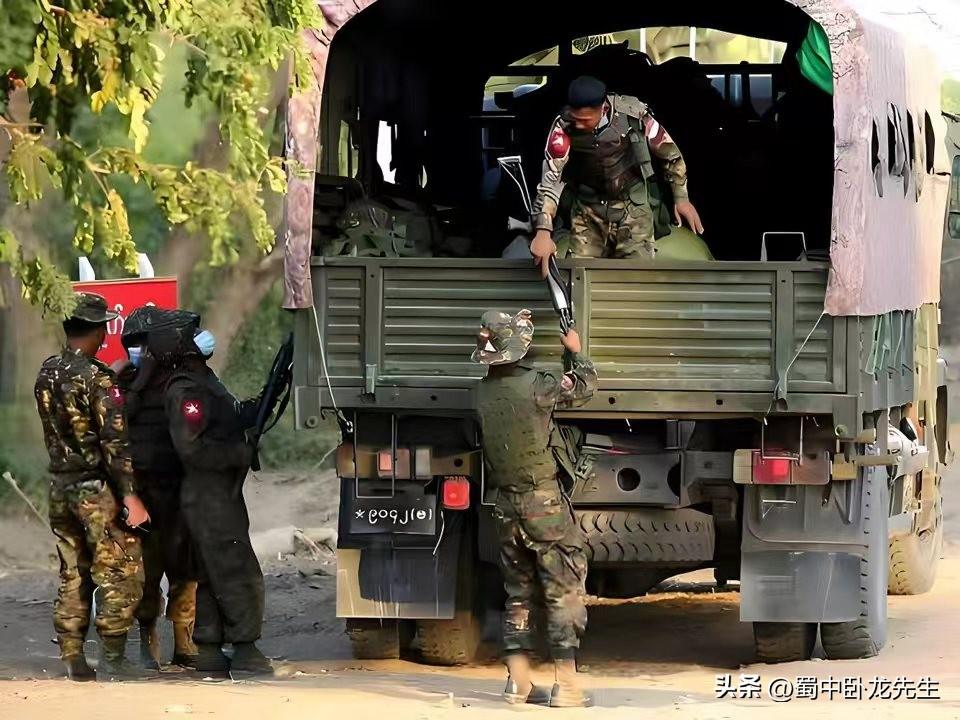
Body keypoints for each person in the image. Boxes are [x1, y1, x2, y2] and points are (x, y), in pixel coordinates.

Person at [472, 309, 598, 707]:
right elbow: (583, 387)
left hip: (505, 505)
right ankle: (567, 686)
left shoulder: (481, 393)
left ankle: (518, 683)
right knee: (563, 589)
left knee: (518, 593)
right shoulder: (537, 386)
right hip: (542, 504)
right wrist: (576, 353)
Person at [33, 292, 151, 681]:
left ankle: (73, 656)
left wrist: (108, 376)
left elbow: (72, 404)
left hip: (59, 488)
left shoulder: (47, 371)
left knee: (73, 571)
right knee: (121, 570)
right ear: (98, 330)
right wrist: (130, 497)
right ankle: (115, 660)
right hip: (95, 493)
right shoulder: (99, 381)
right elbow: (114, 444)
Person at [160, 329, 271, 674]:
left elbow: (227, 417)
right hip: (208, 496)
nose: (205, 336)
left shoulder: (203, 381)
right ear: (185, 349)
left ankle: (209, 649)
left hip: (217, 493)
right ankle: (245, 649)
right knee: (236, 570)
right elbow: (192, 448)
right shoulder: (187, 391)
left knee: (211, 570)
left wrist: (259, 405)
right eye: (194, 333)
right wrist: (239, 453)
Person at [530, 75, 704, 274]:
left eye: (585, 120)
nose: (578, 125)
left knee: (638, 275)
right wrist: (543, 230)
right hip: (588, 210)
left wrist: (681, 198)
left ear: (603, 109)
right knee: (578, 276)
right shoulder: (564, 127)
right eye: (575, 118)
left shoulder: (634, 116)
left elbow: (671, 156)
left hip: (632, 208)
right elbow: (551, 179)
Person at [113, 307, 203, 670]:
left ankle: (185, 639)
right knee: (146, 569)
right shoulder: (124, 382)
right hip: (143, 490)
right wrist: (134, 379)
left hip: (181, 487)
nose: (142, 351)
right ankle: (146, 637)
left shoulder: (182, 378)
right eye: (135, 345)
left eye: (146, 345)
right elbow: (114, 421)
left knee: (186, 566)